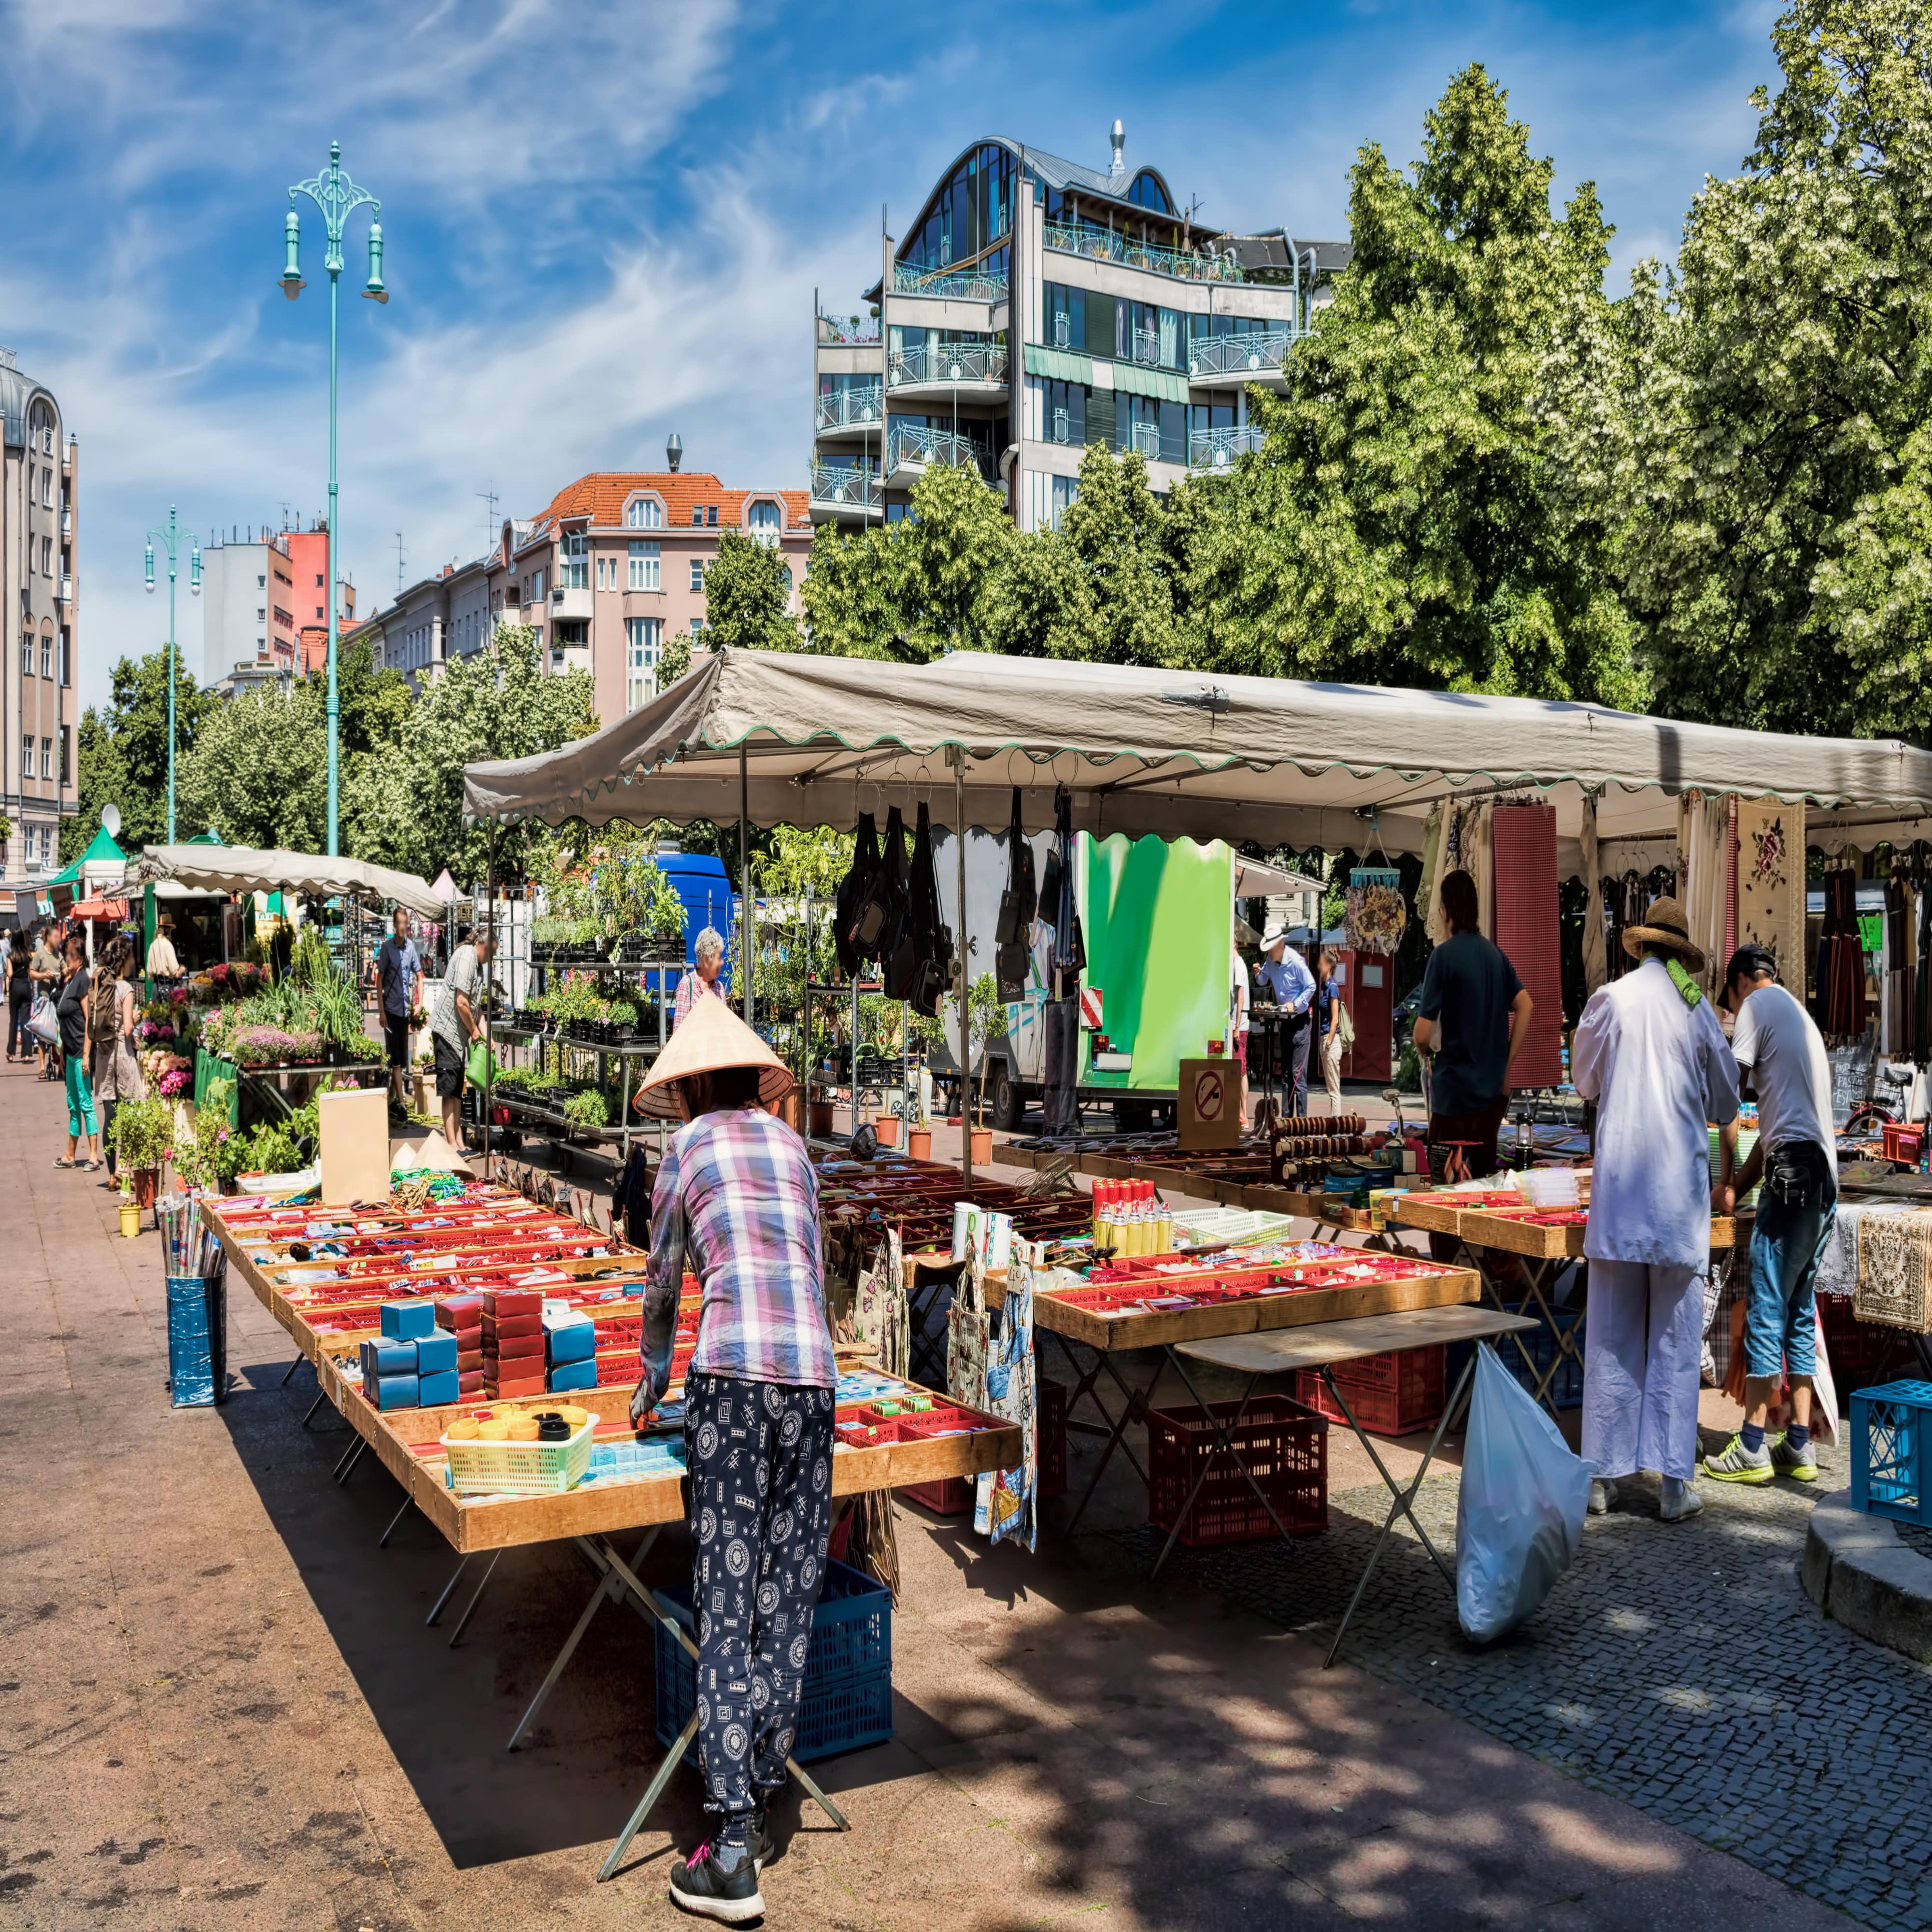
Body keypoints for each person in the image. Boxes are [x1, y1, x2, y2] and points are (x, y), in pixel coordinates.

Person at [629, 993, 836, 1923]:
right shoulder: (792, 1148)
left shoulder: (686, 1150)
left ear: (687, 1090)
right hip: (813, 1382)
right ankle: (761, 1776)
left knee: (727, 1592)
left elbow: (664, 1277)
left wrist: (647, 1382)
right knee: (789, 1592)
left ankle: (731, 1845)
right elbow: (814, 1268)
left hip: (733, 1384)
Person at [1572, 895, 1739, 1523]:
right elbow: (1726, 1102)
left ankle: (1601, 1477)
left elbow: (1584, 1082)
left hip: (1620, 1193)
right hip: (1676, 1203)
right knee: (1674, 1338)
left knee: (1611, 1336)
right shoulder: (1696, 1011)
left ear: (1640, 945)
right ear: (1682, 956)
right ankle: (1673, 1484)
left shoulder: (1611, 1000)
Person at [1704, 944, 1836, 1485]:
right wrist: (1735, 1185)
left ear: (1739, 983)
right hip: (1822, 1179)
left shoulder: (1755, 1008)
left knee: (1764, 1304)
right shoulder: (1798, 1015)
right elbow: (1775, 1129)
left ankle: (1753, 1442)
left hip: (1794, 1176)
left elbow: (1726, 1096)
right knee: (1798, 1307)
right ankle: (1798, 1443)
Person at [1413, 871, 1533, 1181]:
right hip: (1491, 1098)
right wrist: (1506, 1067)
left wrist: (1423, 1051)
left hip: (1453, 1097)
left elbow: (1422, 1033)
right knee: (1482, 1189)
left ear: (1447, 910)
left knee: (1447, 1194)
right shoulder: (1496, 956)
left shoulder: (1443, 956)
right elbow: (1526, 1005)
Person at [428, 924, 493, 1149]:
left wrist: (487, 1037)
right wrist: (475, 1032)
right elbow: (461, 1002)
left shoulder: (478, 966)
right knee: (449, 1089)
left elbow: (477, 1009)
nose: (491, 958)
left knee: (457, 1088)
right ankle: (452, 1145)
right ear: (482, 945)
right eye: (490, 952)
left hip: (458, 1037)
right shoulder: (467, 957)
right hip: (448, 1031)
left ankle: (458, 1142)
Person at [90, 936, 144, 1178]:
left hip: (103, 1054)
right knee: (131, 1113)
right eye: (132, 957)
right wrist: (136, 1017)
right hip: (123, 1054)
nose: (134, 961)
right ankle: (125, 1165)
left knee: (110, 1116)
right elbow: (129, 1029)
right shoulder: (125, 989)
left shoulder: (101, 984)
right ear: (124, 961)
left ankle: (112, 1175)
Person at [1255, 921, 1317, 1115]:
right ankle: (1286, 1119)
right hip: (1284, 1021)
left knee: (1298, 1075)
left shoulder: (1296, 961)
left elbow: (1312, 986)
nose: (1269, 953)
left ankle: (1301, 1123)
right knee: (1286, 1073)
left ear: (1279, 945)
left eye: (1270, 949)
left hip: (1300, 1022)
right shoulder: (1270, 961)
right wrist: (1258, 974)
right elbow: (1263, 980)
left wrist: (1296, 1004)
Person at [54, 930, 102, 1170]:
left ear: (80, 958)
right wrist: (62, 1053)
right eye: (66, 955)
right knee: (72, 1102)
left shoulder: (83, 980)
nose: (67, 959)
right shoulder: (70, 980)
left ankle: (93, 1155)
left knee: (85, 1102)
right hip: (69, 1052)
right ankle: (70, 1155)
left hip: (80, 1054)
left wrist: (86, 1054)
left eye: (71, 955)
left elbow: (88, 1019)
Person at [376, 909, 422, 1113]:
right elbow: (379, 980)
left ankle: (392, 1099)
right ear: (394, 925)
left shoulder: (411, 948)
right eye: (400, 923)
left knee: (402, 1061)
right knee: (395, 1061)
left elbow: (420, 976)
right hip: (391, 1010)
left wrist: (419, 1003)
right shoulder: (387, 948)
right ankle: (402, 1104)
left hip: (404, 1011)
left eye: (406, 923)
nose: (403, 927)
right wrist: (381, 1011)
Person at [674, 926, 731, 1030]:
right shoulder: (687, 985)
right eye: (718, 958)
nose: (722, 962)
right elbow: (678, 1032)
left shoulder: (719, 988)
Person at [1314, 944, 1348, 1115]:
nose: (1319, 966)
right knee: (1331, 1088)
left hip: (1331, 1041)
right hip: (1325, 1040)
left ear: (1328, 966)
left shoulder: (1333, 988)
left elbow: (1335, 1019)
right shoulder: (1324, 988)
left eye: (1321, 963)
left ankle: (1336, 1127)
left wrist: (1328, 1042)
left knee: (1334, 1089)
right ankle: (1334, 1125)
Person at [30, 923, 61, 1079]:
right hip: (43, 999)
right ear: (48, 937)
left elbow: (64, 970)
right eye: (56, 937)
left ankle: (60, 1064)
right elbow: (32, 973)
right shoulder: (40, 954)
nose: (58, 940)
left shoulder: (59, 955)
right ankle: (42, 1066)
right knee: (42, 1033)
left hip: (56, 1000)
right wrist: (43, 976)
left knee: (58, 1034)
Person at [1229, 935, 1251, 1119]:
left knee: (1240, 1069)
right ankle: (1241, 1112)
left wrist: (1236, 1026)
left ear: (1234, 944)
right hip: (1240, 1024)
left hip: (1240, 1025)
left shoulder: (1238, 966)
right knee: (1240, 1069)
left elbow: (1241, 997)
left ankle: (1243, 1113)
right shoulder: (1238, 965)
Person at [6, 929, 30, 1062]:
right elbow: (31, 973)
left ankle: (11, 1052)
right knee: (26, 1021)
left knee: (14, 1021)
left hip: (15, 988)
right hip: (26, 987)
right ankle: (26, 1054)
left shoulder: (10, 956)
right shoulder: (27, 955)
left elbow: (10, 974)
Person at [144, 914, 182, 986]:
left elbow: (150, 976)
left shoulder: (153, 945)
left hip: (156, 985)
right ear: (168, 930)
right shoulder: (168, 945)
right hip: (167, 984)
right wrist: (182, 969)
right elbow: (175, 972)